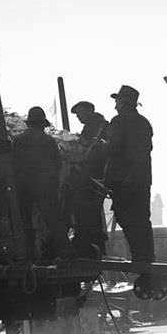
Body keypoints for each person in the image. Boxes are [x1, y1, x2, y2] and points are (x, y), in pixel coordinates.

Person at [13, 106, 73, 261]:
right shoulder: (48, 141)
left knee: (25, 221)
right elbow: (57, 164)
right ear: (41, 124)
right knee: (53, 221)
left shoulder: (18, 140)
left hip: (23, 186)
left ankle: (29, 256)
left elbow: (12, 164)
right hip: (44, 187)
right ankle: (66, 254)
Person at [104, 85, 155, 262]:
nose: (115, 105)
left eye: (117, 101)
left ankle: (140, 258)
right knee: (142, 220)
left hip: (123, 180)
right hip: (142, 180)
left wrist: (101, 146)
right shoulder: (144, 123)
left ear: (123, 102)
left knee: (127, 218)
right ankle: (147, 259)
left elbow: (114, 148)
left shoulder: (118, 121)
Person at [70, 101, 108, 259]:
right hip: (95, 174)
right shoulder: (97, 124)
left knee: (87, 211)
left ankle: (90, 243)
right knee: (91, 213)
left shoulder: (97, 125)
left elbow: (87, 145)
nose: (79, 117)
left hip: (94, 175)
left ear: (89, 111)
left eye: (80, 113)